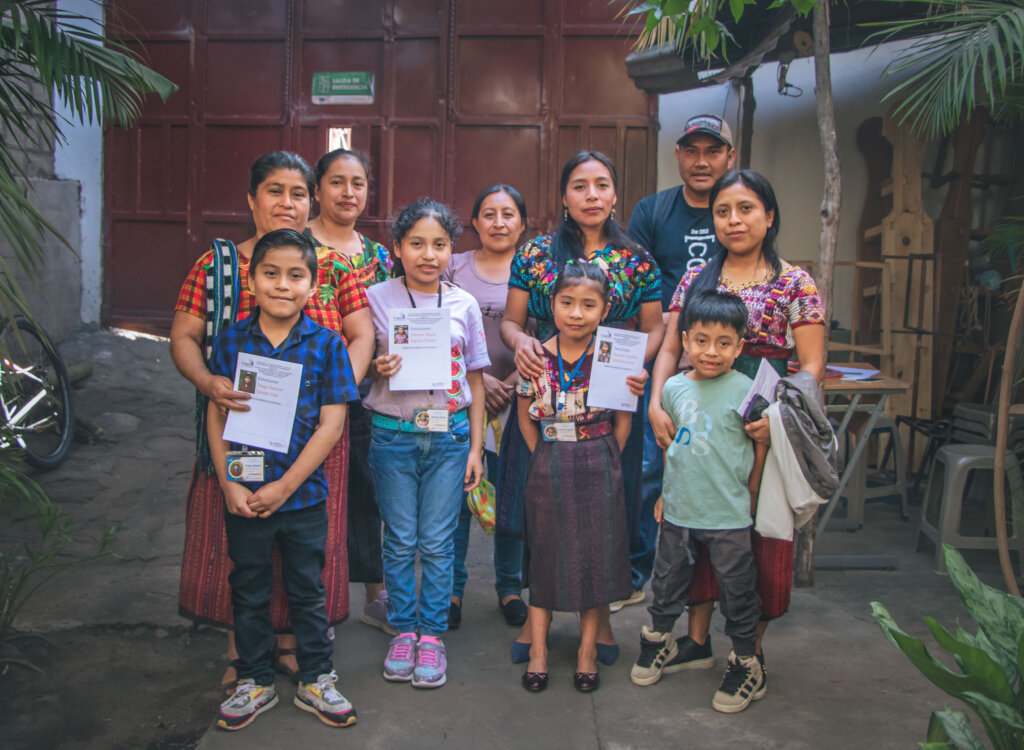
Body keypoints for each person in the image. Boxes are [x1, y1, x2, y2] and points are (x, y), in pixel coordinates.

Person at [170, 151, 374, 691]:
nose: (287, 202)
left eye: (298, 193)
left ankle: (293, 647)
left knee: (305, 552)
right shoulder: (217, 266)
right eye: (274, 191)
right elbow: (184, 336)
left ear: (312, 200)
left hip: (314, 438)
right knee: (243, 547)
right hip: (238, 431)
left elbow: (361, 335)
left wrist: (333, 395)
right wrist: (209, 383)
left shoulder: (333, 266)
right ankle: (243, 654)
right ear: (251, 199)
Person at [648, 169, 825, 687]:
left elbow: (812, 365)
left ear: (769, 216)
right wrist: (657, 404)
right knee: (695, 526)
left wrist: (779, 420)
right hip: (700, 420)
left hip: (760, 425)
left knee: (757, 536)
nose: (734, 220)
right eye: (723, 211)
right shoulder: (695, 280)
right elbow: (671, 349)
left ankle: (750, 654)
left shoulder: (795, 283)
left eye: (746, 209)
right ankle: (696, 640)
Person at [499, 150, 663, 665]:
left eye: (601, 184)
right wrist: (522, 346)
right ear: (564, 197)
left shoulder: (638, 259)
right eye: (579, 185)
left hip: (612, 397)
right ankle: (538, 620)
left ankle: (602, 621)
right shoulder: (535, 254)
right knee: (538, 511)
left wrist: (636, 366)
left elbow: (655, 327)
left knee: (608, 515)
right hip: (545, 391)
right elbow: (511, 321)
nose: (591, 195)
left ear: (615, 194)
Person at [208, 229, 359, 730]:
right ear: (251, 280)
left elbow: (332, 425)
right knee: (248, 587)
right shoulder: (231, 341)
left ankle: (317, 678)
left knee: (307, 588)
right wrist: (229, 484)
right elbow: (216, 414)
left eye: (295, 275)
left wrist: (285, 486)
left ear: (313, 287)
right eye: (270, 273)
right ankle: (254, 680)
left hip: (303, 497)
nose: (281, 285)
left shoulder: (328, 345)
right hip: (244, 494)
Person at [365, 199, 489, 689]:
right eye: (416, 243)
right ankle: (403, 630)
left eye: (439, 244)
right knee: (399, 540)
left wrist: (476, 448)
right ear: (397, 248)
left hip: (450, 438)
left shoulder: (464, 304)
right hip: (392, 436)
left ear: (451, 249)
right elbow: (355, 364)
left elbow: (476, 379)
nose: (428, 255)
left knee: (437, 542)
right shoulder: (376, 299)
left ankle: (432, 635)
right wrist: (376, 366)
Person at [630, 290, 768, 714]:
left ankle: (745, 661)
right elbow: (671, 447)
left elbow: (760, 447)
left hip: (729, 515)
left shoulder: (747, 391)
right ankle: (659, 639)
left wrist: (752, 495)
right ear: (686, 341)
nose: (711, 352)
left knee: (738, 590)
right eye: (702, 341)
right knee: (666, 582)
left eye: (724, 343)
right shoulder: (672, 389)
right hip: (679, 511)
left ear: (739, 347)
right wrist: (665, 494)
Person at [620, 113, 736, 611]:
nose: (702, 161)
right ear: (678, 155)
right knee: (651, 465)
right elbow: (635, 283)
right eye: (692, 151)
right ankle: (638, 570)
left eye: (713, 151)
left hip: (727, 360)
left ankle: (718, 579)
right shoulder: (653, 210)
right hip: (665, 357)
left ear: (730, 156)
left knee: (723, 464)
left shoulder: (736, 207)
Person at [516, 261, 632, 694]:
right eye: (567, 302)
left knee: (594, 557)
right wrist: (542, 455)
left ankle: (587, 652)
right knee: (545, 554)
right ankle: (539, 650)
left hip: (598, 458)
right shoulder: (534, 355)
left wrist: (607, 456)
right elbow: (524, 416)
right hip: (549, 458)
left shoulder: (613, 356)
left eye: (588, 305)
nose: (576, 313)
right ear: (552, 305)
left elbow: (623, 420)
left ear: (605, 310)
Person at [307, 148, 395, 634]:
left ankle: (374, 595)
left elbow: (392, 323)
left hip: (369, 388)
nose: (348, 192)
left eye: (357, 183)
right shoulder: (297, 246)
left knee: (367, 491)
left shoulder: (379, 256)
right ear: (317, 189)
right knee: (315, 495)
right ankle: (315, 598)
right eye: (337, 182)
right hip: (309, 393)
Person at [443, 184, 528, 630]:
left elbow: (550, 333)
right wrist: (480, 382)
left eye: (508, 213)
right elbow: (434, 329)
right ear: (474, 223)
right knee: (459, 496)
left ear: (522, 223)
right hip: (460, 396)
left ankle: (510, 587)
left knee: (511, 495)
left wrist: (509, 384)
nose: (498, 222)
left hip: (519, 398)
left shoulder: (534, 269)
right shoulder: (452, 266)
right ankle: (452, 590)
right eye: (489, 214)